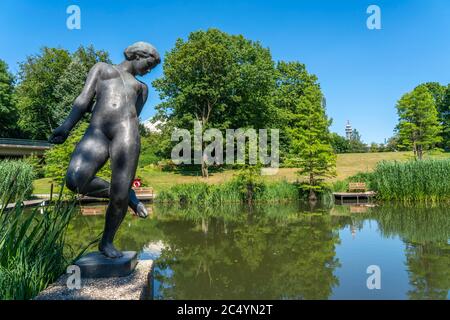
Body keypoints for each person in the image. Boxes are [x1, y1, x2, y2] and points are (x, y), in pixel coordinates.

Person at [49, 42, 161, 258]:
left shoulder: (141, 88)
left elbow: (133, 116)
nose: (149, 70)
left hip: (126, 134)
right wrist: (65, 127)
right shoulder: (102, 69)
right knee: (75, 180)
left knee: (118, 196)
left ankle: (107, 242)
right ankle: (128, 195)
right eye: (149, 64)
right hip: (97, 132)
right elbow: (83, 100)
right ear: (137, 55)